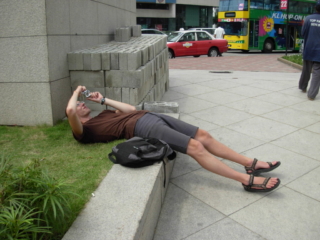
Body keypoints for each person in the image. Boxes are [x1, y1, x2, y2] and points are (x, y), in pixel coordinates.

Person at [66, 86, 281, 193]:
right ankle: (245, 181)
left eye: (82, 102)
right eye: (79, 104)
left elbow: (130, 109)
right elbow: (70, 110)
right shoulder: (84, 131)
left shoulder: (101, 116)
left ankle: (249, 164)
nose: (81, 104)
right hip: (143, 126)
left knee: (203, 135)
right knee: (196, 147)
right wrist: (76, 91)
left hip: (148, 115)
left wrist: (102, 100)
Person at [298, 1, 320, 100]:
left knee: (306, 69)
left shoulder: (308, 19)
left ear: (315, 7)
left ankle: (303, 87)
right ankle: (311, 95)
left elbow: (303, 33)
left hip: (308, 48)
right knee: (317, 72)